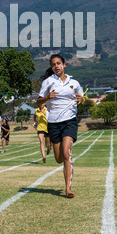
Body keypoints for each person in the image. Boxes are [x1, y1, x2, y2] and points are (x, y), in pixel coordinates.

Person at [37, 54, 84, 198]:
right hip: (53, 123)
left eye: (58, 63)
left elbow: (81, 97)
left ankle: (68, 189)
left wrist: (82, 99)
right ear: (51, 67)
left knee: (66, 153)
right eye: (53, 64)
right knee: (59, 158)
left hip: (70, 121)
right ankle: (52, 144)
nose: (56, 66)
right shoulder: (48, 82)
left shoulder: (74, 82)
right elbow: (39, 102)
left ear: (64, 64)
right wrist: (47, 97)